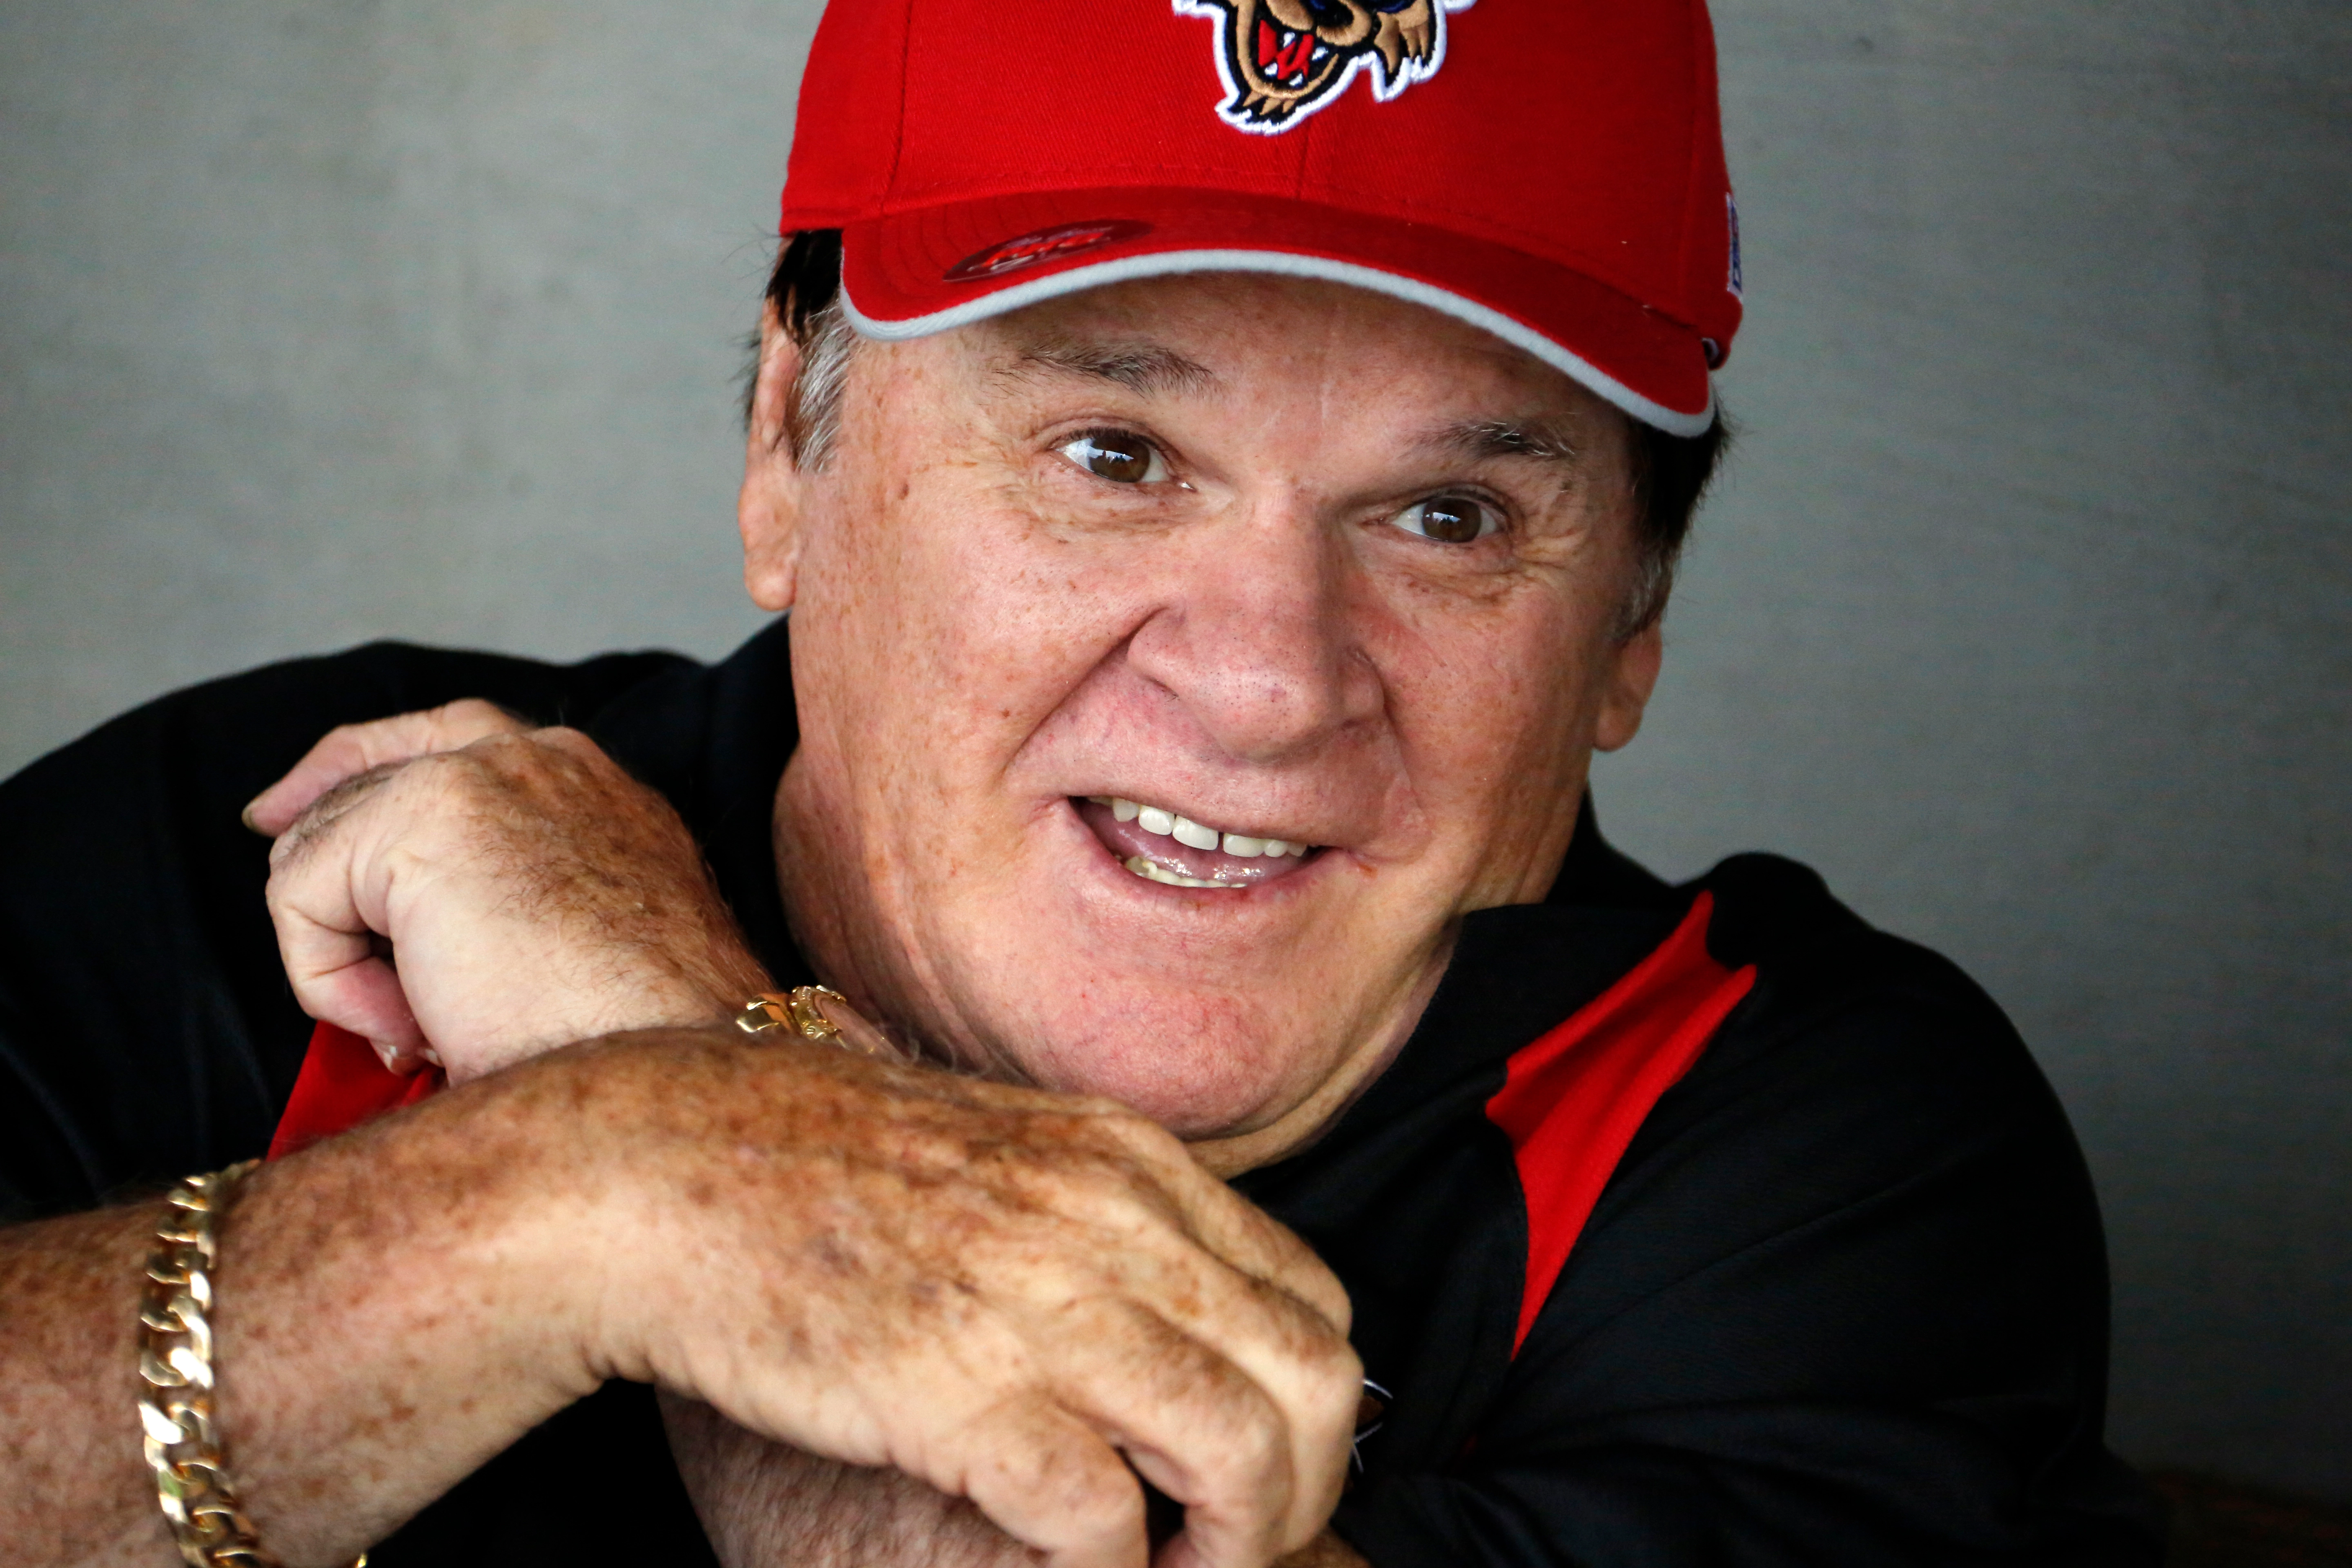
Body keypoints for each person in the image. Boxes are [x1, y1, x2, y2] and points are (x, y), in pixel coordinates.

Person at [0, 0, 2166, 1563]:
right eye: (1114, 457)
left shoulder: (1799, 1170)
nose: (1263, 686)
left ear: (1632, 625)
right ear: (786, 449)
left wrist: (673, 1114)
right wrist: (546, 1213)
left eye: (1446, 520)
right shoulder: (321, 841)